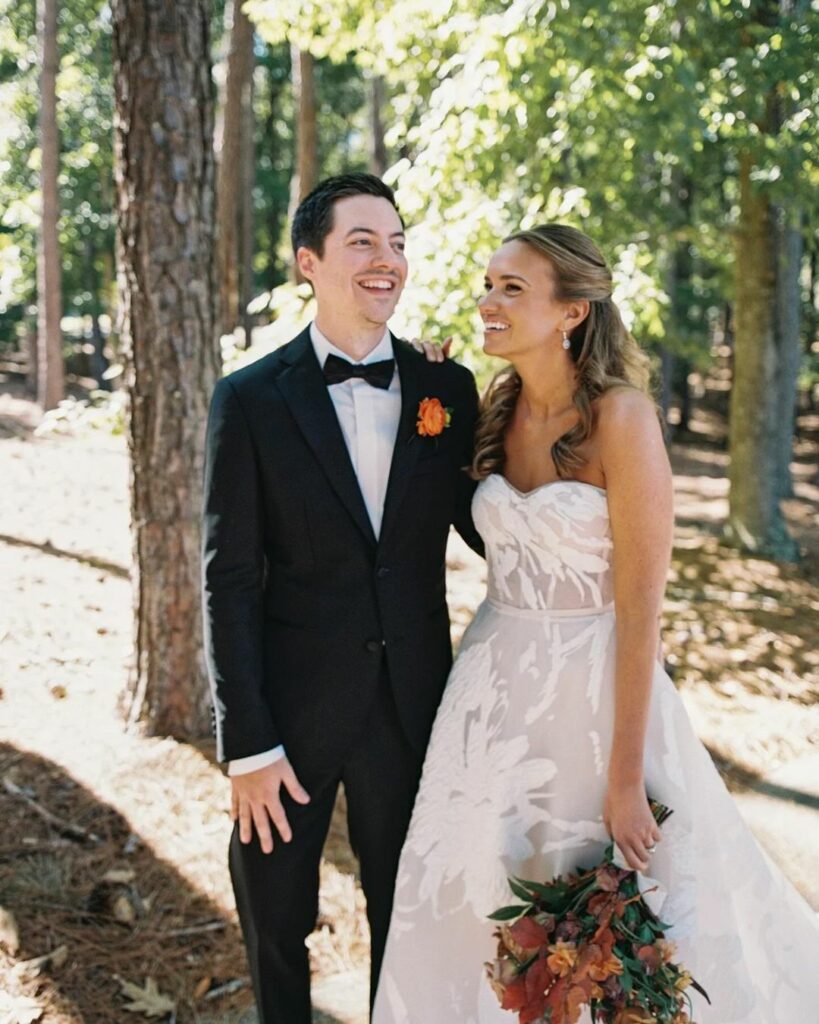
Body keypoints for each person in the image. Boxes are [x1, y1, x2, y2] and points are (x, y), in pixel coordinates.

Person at [372, 224, 819, 1023]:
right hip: (488, 690)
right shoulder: (488, 409)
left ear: (571, 311)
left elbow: (642, 609)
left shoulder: (622, 417)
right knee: (473, 896)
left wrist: (622, 778)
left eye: (512, 288)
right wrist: (425, 385)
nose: (488, 302)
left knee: (603, 922)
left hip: (594, 689)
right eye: (487, 284)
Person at [201, 172, 483, 1023]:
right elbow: (230, 577)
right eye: (362, 241)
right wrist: (247, 743)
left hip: (411, 711)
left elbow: (486, 526)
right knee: (274, 924)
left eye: (397, 243)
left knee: (407, 923)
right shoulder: (247, 399)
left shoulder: (446, 390)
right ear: (307, 263)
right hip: (286, 724)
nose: (386, 260)